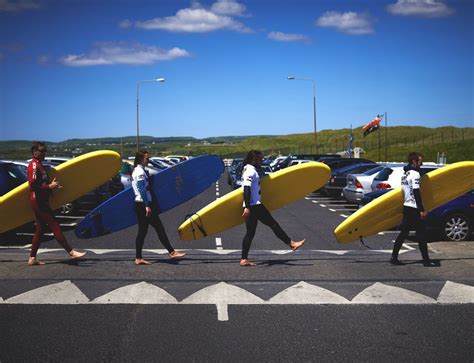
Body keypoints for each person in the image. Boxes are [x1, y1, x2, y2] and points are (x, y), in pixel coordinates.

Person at [240, 150, 305, 266]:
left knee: (250, 233)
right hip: (255, 205)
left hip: (252, 205)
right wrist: (247, 207)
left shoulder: (248, 168)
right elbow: (246, 189)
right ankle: (291, 244)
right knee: (273, 224)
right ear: (255, 159)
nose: (262, 161)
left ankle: (244, 259)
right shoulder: (250, 170)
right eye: (260, 159)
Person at [27, 142, 86, 266]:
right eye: (41, 151)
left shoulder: (39, 165)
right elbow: (32, 184)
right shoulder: (33, 165)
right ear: (34, 152)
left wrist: (50, 185)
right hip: (38, 200)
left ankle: (32, 258)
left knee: (40, 229)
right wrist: (49, 186)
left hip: (41, 200)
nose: (44, 153)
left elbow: (39, 183)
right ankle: (71, 252)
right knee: (55, 225)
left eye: (45, 151)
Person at [132, 150, 185, 265]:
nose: (148, 160)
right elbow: (141, 189)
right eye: (147, 158)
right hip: (143, 204)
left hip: (141, 204)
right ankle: (171, 252)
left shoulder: (140, 170)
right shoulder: (139, 171)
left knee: (143, 231)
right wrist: (147, 205)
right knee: (157, 228)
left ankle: (138, 257)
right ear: (141, 159)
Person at [390, 152, 437, 267]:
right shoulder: (415, 174)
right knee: (421, 234)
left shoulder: (405, 174)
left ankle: (394, 257)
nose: (422, 163)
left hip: (407, 207)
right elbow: (416, 192)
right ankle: (426, 261)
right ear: (414, 161)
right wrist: (421, 209)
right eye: (420, 161)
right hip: (414, 208)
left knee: (403, 233)